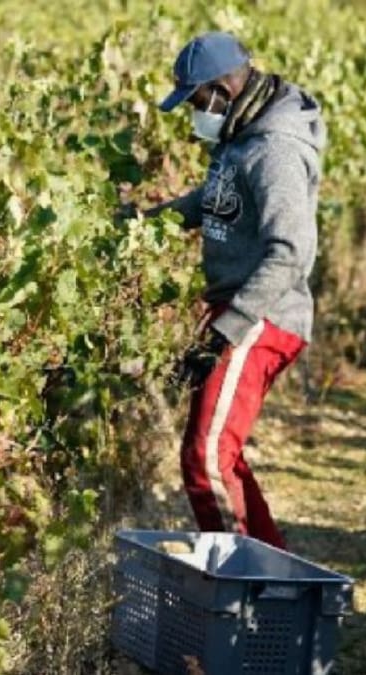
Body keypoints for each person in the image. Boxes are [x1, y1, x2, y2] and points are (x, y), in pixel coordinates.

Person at [145, 31, 325, 551]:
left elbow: (290, 252)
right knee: (221, 455)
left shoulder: (275, 150)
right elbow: (215, 199)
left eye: (197, 101)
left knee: (206, 458)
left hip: (261, 315)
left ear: (223, 89)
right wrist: (146, 223)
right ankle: (274, 581)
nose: (195, 113)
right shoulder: (241, 137)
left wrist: (227, 331)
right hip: (240, 313)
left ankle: (242, 591)